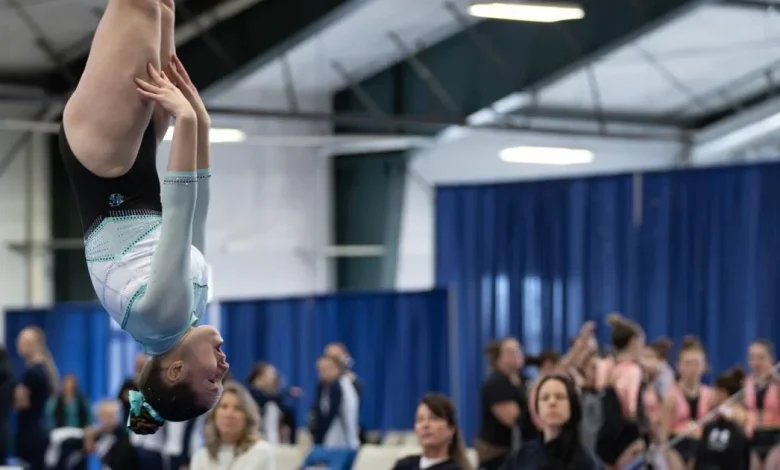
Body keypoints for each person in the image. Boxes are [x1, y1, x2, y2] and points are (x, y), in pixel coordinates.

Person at [58, 0, 227, 433]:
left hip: (104, 163)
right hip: (135, 164)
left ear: (174, 372)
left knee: (140, 8)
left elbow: (180, 209)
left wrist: (187, 120)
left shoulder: (163, 320)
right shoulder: (189, 314)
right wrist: (199, 122)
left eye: (212, 378)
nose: (223, 367)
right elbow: (198, 216)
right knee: (162, 7)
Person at [501, 374, 601, 469]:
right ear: (537, 409)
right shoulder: (522, 455)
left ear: (572, 406)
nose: (552, 402)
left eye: (560, 397)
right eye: (545, 398)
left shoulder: (585, 461)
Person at [476, 338, 534, 470]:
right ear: (498, 358)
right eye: (510, 351)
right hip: (496, 454)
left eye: (518, 349)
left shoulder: (521, 379)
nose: (516, 353)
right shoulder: (496, 383)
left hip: (517, 451)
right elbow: (514, 420)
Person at [189, 381, 274, 470]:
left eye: (237, 408)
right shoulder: (201, 456)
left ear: (247, 416)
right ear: (214, 415)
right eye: (224, 406)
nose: (229, 414)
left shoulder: (261, 452)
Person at [661, 337, 711, 467]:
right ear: (679, 366)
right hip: (677, 445)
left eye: (696, 363)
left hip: (701, 445)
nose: (692, 369)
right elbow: (663, 433)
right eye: (687, 364)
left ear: (704, 366)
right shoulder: (671, 395)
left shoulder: (709, 395)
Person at [392, 394, 472, 470]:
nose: (425, 425)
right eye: (420, 420)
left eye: (434, 418)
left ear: (451, 429)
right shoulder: (404, 466)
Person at [15, 326, 57, 470]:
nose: (18, 344)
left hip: (31, 434)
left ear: (32, 344)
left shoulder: (33, 373)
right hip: (37, 431)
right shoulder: (42, 369)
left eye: (22, 341)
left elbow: (21, 403)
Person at [693, 367, 750, 470]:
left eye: (714, 391)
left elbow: (739, 417)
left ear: (722, 393)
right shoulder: (714, 414)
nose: (711, 394)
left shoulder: (738, 411)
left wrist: (724, 411)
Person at [309, 356, 360, 449]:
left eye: (325, 369)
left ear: (336, 369)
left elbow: (347, 416)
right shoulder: (323, 386)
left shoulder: (342, 386)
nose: (321, 373)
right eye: (319, 370)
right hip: (326, 440)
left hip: (341, 439)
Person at [743, 340, 780, 469]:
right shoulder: (745, 384)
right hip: (753, 438)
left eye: (761, 357)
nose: (756, 363)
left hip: (775, 438)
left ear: (771, 358)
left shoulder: (778, 383)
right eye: (752, 357)